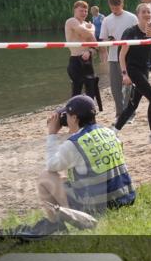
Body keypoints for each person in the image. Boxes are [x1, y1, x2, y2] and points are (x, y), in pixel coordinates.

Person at [38, 95, 136, 231]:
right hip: (124, 198)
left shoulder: (74, 144)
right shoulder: (109, 132)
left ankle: (58, 227)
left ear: (74, 118)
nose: (65, 120)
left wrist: (52, 134)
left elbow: (51, 165)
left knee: (45, 177)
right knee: (70, 175)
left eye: (67, 116)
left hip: (99, 206)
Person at [113, 3, 151, 142]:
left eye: (149, 12)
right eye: (144, 12)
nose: (147, 14)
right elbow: (121, 55)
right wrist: (124, 74)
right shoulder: (130, 32)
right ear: (138, 15)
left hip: (145, 70)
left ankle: (113, 132)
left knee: (133, 105)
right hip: (133, 70)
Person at [99, 0, 138, 120]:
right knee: (115, 88)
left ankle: (130, 113)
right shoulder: (107, 19)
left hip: (130, 57)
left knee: (128, 86)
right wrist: (109, 41)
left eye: (117, 7)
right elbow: (102, 40)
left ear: (122, 4)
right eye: (112, 8)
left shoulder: (132, 18)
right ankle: (119, 113)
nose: (115, 10)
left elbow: (138, 36)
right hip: (113, 57)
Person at [64, 0, 100, 107]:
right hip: (75, 60)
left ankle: (90, 114)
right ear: (75, 10)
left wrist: (90, 51)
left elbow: (95, 46)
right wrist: (92, 29)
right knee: (76, 90)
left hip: (87, 60)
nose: (84, 13)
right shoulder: (71, 21)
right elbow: (85, 33)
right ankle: (73, 115)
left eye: (86, 11)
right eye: (81, 11)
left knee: (91, 89)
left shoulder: (86, 24)